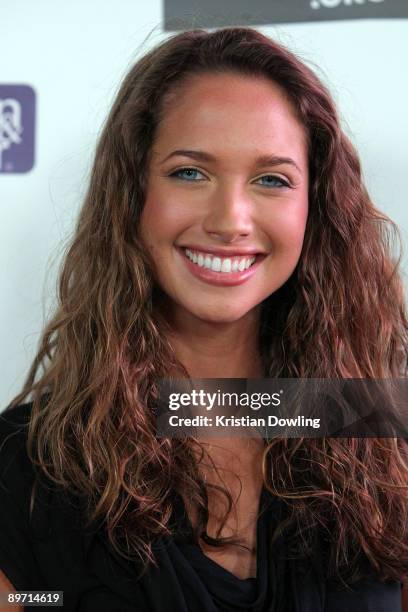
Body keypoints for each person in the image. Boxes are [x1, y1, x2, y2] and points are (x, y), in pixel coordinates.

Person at [1, 26, 408, 612]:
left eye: (272, 179)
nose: (230, 219)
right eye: (190, 172)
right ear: (132, 194)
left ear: (313, 208)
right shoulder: (22, 470)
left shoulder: (382, 440)